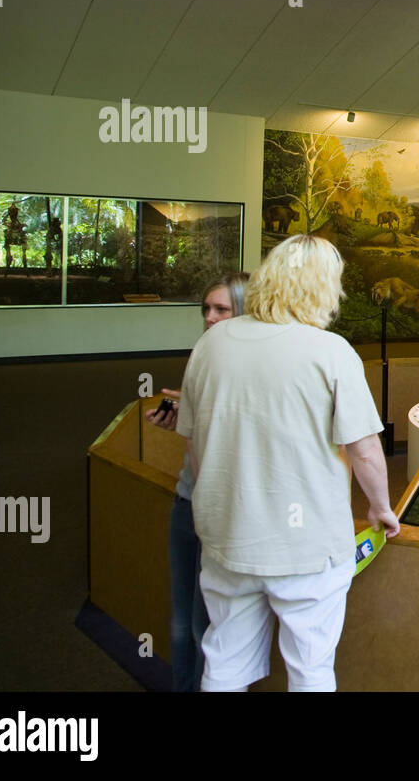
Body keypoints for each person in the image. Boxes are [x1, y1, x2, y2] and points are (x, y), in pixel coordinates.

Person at [176, 235, 399, 692]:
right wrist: (381, 506)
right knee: (310, 668)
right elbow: (365, 449)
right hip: (308, 548)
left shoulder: (213, 342)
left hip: (226, 539)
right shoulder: (331, 351)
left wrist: (216, 508)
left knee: (223, 660)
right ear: (324, 288)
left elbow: (195, 443)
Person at [146, 272, 249, 692]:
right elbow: (204, 435)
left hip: (226, 512)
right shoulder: (200, 357)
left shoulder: (256, 367)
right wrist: (179, 417)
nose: (209, 318)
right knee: (181, 616)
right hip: (191, 501)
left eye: (221, 309)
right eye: (206, 309)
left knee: (204, 620)